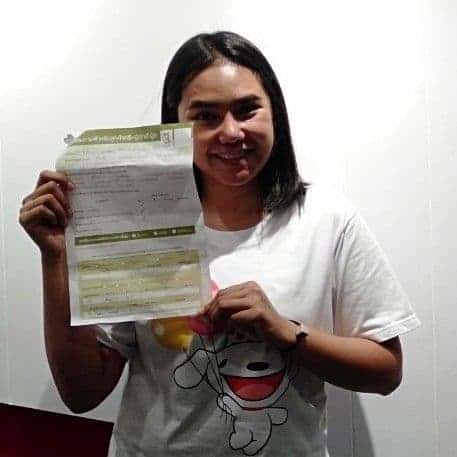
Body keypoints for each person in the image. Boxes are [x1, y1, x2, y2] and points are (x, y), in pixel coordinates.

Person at [19, 31, 420, 456]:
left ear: (274, 112)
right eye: (206, 116)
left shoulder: (326, 220)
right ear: (176, 125)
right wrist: (54, 258)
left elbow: (385, 370)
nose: (231, 132)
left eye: (247, 110)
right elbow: (82, 393)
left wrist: (286, 332)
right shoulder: (142, 224)